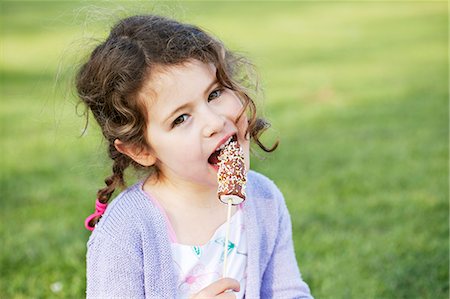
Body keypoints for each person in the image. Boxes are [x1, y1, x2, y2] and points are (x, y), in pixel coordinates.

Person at [77, 14, 313, 299]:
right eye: (181, 118)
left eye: (215, 94)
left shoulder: (263, 199)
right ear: (141, 149)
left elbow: (288, 292)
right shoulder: (125, 230)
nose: (214, 122)